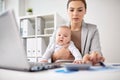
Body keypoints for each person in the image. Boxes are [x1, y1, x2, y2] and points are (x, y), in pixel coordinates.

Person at [43, 0, 105, 65]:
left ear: (85, 11)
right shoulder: (58, 30)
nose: (75, 14)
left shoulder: (93, 30)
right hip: (61, 68)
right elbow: (48, 53)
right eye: (72, 10)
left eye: (80, 10)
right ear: (67, 11)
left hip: (84, 69)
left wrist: (92, 57)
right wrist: (56, 56)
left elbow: (97, 53)